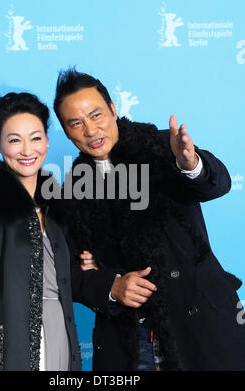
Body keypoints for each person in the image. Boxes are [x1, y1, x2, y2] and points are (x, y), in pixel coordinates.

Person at [50, 68, 245, 371]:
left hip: (201, 325)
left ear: (113, 109)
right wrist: (111, 286)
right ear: (66, 131)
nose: (90, 130)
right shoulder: (71, 192)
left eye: (96, 115)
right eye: (76, 123)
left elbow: (215, 184)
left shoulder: (160, 147)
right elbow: (66, 273)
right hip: (130, 341)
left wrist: (190, 163)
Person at [0, 92, 82, 371]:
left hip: (63, 343)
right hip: (13, 354)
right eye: (14, 140)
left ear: (46, 141)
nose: (27, 150)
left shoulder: (56, 212)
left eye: (35, 138)